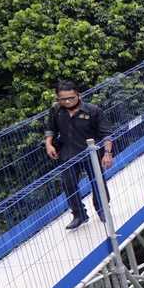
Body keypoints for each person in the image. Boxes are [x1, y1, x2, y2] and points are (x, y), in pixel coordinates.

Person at [44, 80, 113, 230]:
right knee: (68, 183)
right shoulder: (56, 110)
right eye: (63, 99)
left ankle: (102, 210)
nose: (67, 101)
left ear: (78, 95)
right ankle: (78, 215)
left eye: (71, 98)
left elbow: (107, 134)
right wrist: (48, 143)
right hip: (67, 153)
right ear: (58, 98)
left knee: (97, 181)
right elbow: (51, 128)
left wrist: (107, 153)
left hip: (92, 154)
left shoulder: (93, 111)